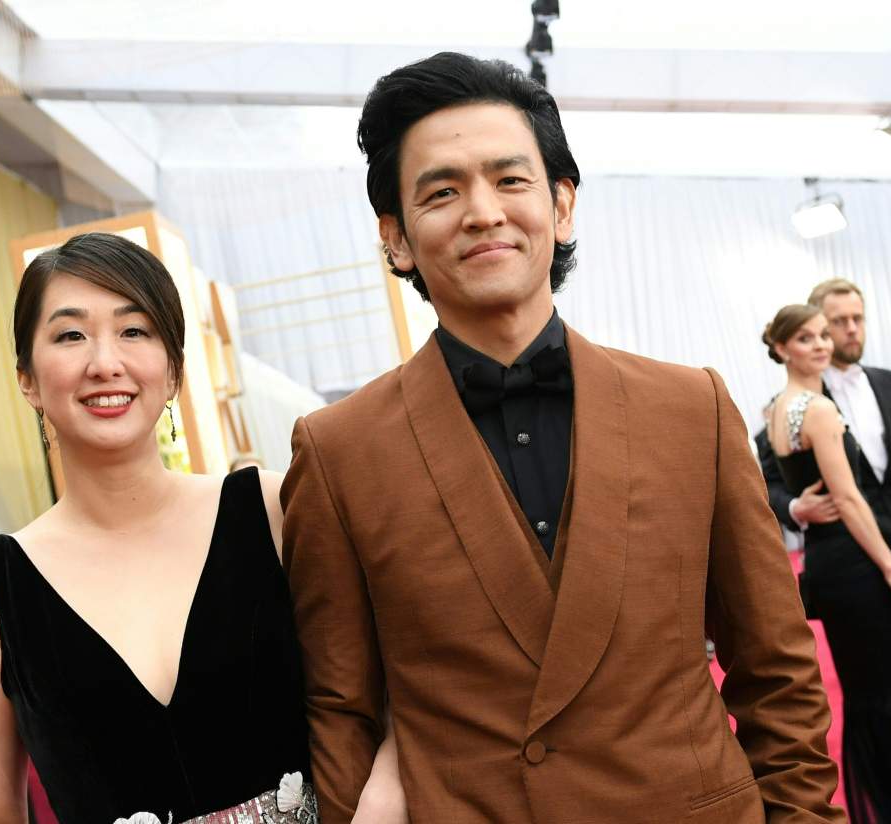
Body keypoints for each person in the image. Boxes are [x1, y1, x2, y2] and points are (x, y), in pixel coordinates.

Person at [282, 52, 843, 823]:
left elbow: (775, 666)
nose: (483, 212)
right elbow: (339, 705)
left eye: (510, 180)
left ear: (562, 205)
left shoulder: (693, 409)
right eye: (442, 192)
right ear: (396, 238)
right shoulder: (338, 451)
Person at [0, 233, 405, 823]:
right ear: (27, 378)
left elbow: (397, 686)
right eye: (71, 335)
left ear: (175, 369)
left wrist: (383, 801)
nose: (105, 362)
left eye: (134, 331)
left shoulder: (270, 509)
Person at [760, 304, 891, 821]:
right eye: (808, 338)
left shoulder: (778, 410)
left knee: (873, 692)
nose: (823, 344)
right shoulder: (819, 409)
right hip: (861, 564)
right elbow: (850, 500)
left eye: (823, 335)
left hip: (830, 565)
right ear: (782, 348)